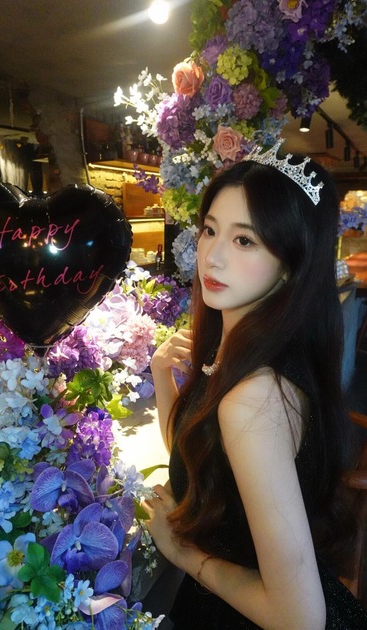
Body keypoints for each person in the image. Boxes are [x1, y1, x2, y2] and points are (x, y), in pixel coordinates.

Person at [143, 142, 367, 629]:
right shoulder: (255, 351)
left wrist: (182, 554)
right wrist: (163, 375)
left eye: (245, 240)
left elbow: (298, 619)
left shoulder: (254, 395)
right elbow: (201, 462)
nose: (212, 257)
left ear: (289, 263)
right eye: (210, 230)